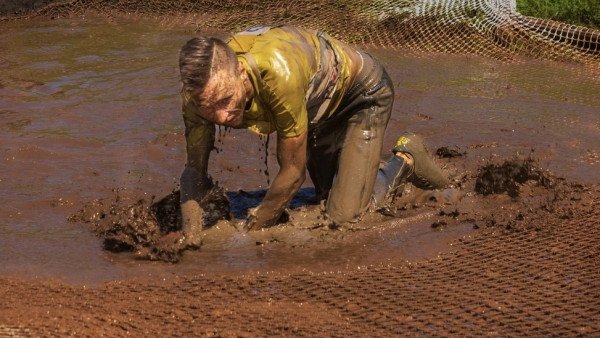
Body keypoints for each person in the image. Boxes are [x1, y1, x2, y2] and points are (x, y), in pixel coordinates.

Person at [178, 25, 448, 241]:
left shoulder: (277, 75)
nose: (221, 117)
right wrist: (191, 233)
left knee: (343, 218)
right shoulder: (196, 96)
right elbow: (194, 171)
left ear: (240, 70)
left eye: (226, 100)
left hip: (362, 94)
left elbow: (293, 173)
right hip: (317, 108)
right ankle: (364, 164)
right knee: (327, 196)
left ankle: (406, 158)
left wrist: (252, 233)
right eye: (208, 106)